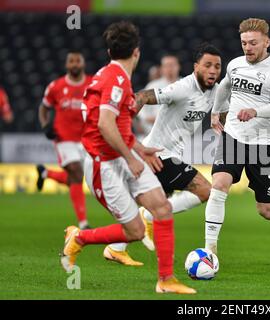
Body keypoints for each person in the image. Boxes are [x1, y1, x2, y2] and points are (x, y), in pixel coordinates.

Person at [60, 21, 195, 294]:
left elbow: (117, 125)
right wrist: (132, 157)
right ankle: (80, 237)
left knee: (162, 208)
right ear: (137, 52)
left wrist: (138, 149)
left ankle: (166, 280)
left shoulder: (110, 75)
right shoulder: (116, 79)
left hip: (122, 156)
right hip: (104, 165)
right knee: (134, 231)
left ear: (110, 50)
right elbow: (105, 126)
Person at [105, 43, 223, 265]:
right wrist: (124, 128)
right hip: (159, 155)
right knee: (206, 191)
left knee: (159, 203)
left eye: (217, 66)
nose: (213, 71)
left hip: (168, 155)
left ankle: (115, 247)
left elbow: (223, 109)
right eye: (207, 65)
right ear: (196, 66)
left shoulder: (215, 92)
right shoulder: (182, 88)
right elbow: (142, 96)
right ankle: (145, 219)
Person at [206, 18, 270, 255]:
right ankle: (210, 250)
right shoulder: (235, 64)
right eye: (244, 42)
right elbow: (224, 86)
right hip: (233, 137)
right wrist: (216, 111)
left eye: (253, 43)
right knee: (219, 184)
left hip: (263, 144)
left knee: (266, 211)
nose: (248, 48)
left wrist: (256, 111)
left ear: (267, 42)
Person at [36, 51, 92, 229]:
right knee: (76, 172)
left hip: (85, 138)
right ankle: (83, 223)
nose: (75, 64)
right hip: (63, 137)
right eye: (71, 61)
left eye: (78, 61)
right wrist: (46, 126)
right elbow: (43, 109)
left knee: (75, 178)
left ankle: (46, 173)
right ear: (67, 65)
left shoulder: (93, 84)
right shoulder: (56, 86)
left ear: (83, 63)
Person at [136, 54, 181, 135]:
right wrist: (146, 118)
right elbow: (141, 107)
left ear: (178, 66)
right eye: (166, 65)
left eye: (172, 65)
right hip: (156, 131)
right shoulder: (153, 86)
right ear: (161, 69)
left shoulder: (185, 85)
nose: (170, 68)